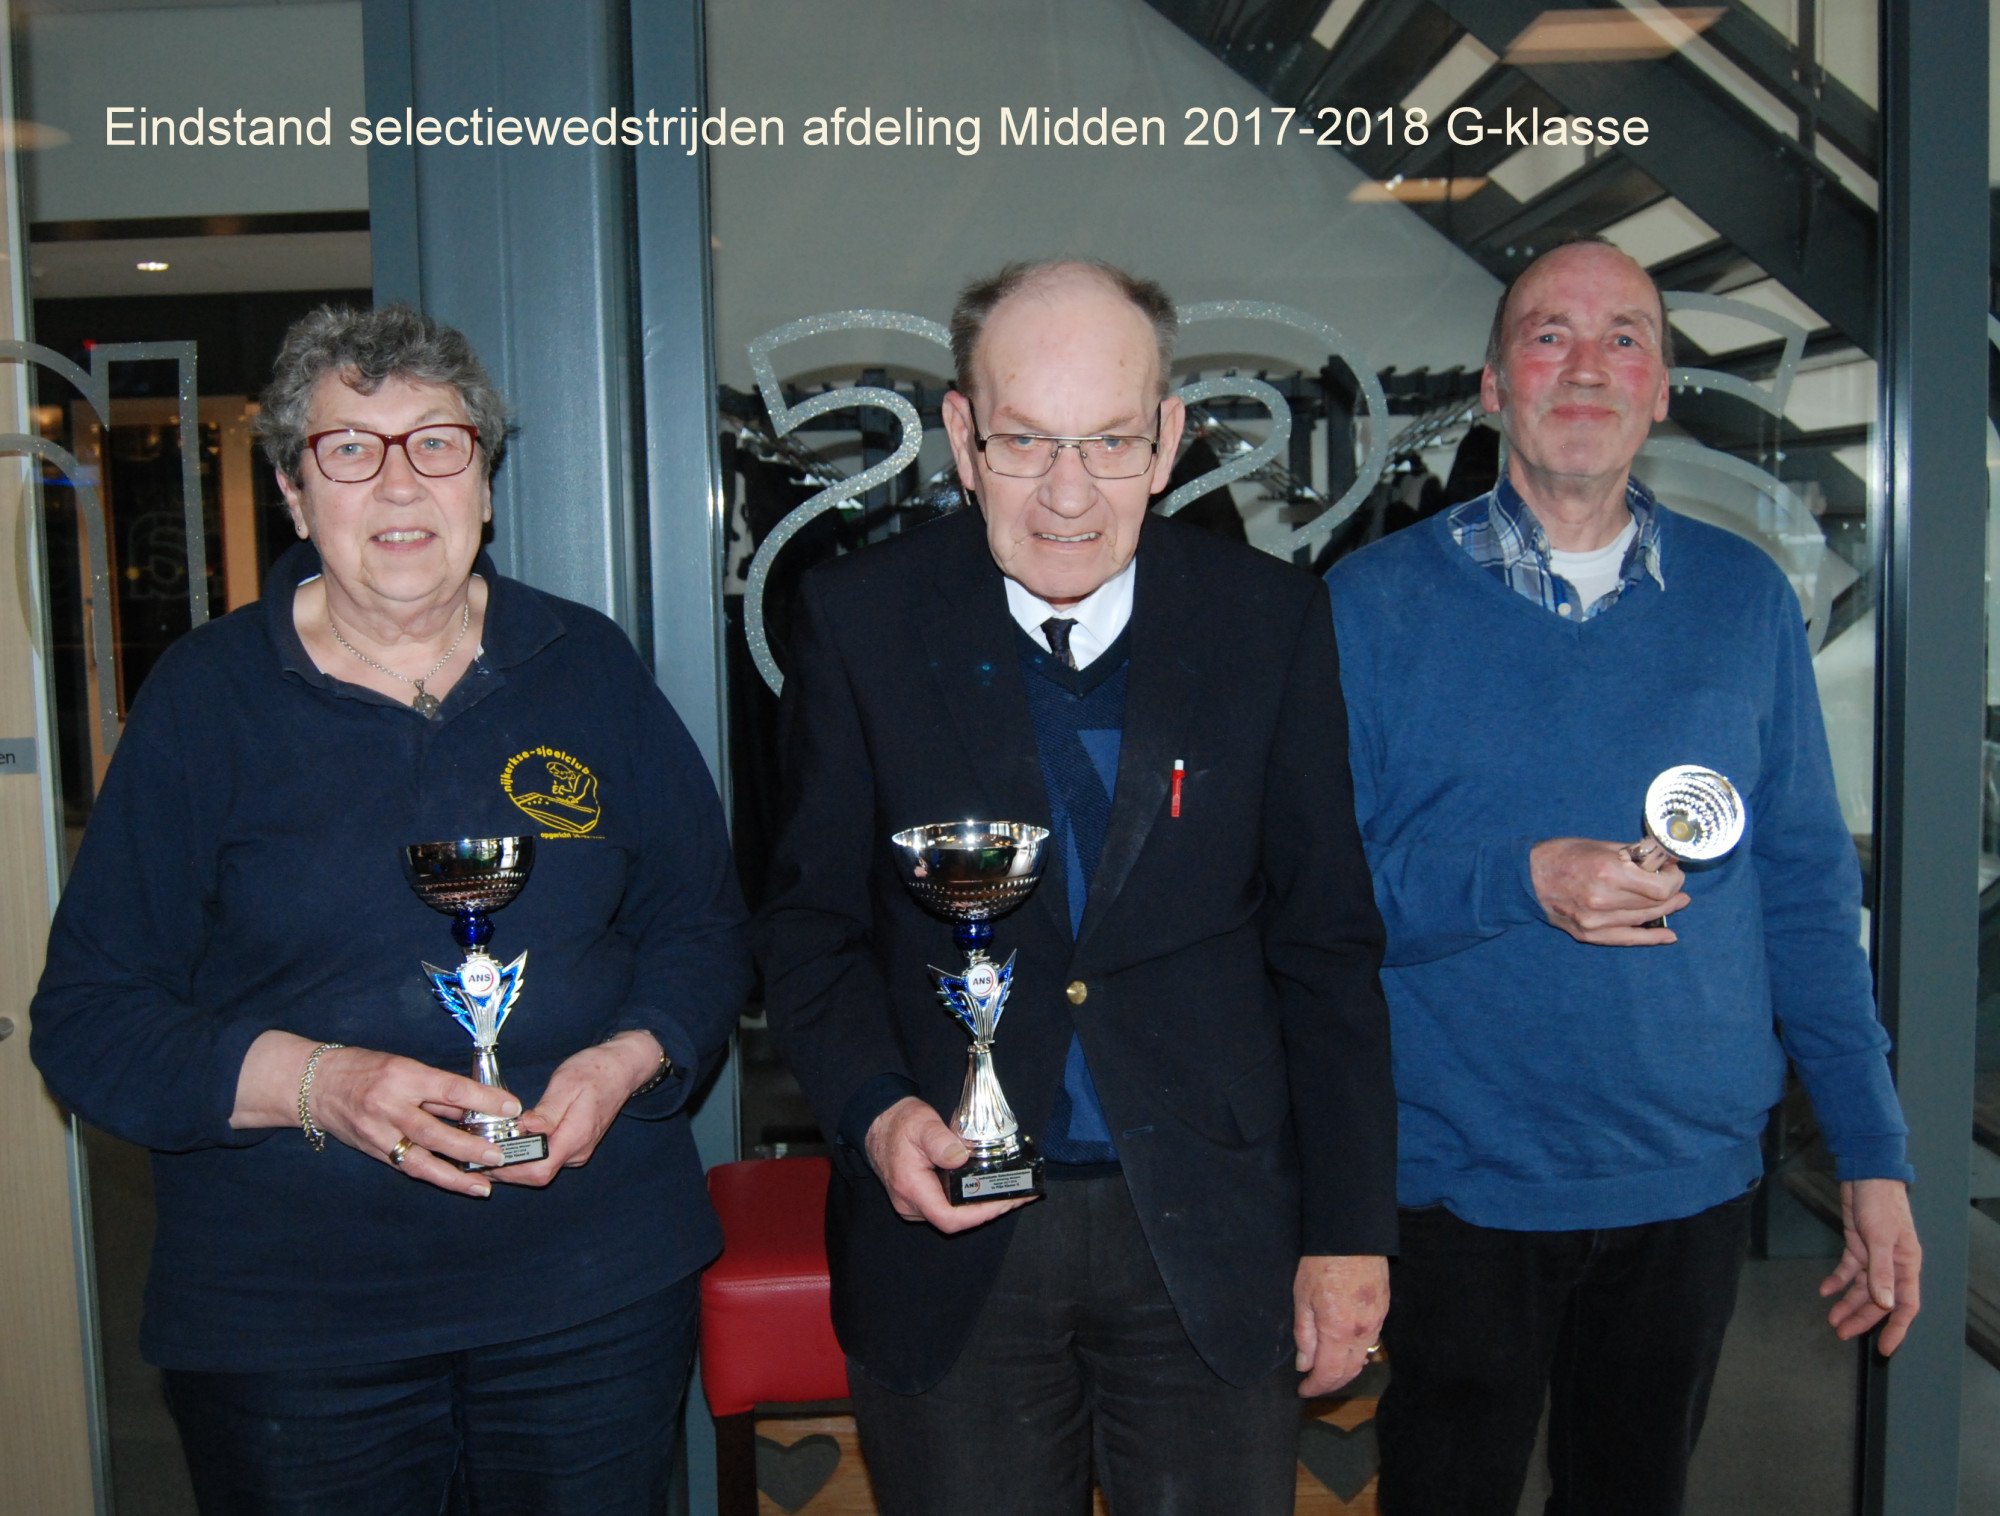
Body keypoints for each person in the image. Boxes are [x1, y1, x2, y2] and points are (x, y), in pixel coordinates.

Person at [31, 304, 751, 1515]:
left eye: (437, 443)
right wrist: (324, 1084)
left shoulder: (586, 664)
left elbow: (703, 922)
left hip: (588, 1301)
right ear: (294, 493)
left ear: (485, 480)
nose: (399, 482)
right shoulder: (206, 700)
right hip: (295, 1331)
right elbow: (90, 1020)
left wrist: (631, 1056)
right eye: (350, 449)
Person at [757, 259, 1396, 1515]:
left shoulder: (1267, 621)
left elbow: (1324, 943)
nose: (1066, 492)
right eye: (1024, 441)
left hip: (1212, 1234)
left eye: (1108, 441)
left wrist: (1347, 1230)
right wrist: (876, 1113)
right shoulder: (857, 620)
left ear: (1165, 439)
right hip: (947, 1241)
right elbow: (807, 928)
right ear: (960, 437)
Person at [1326, 237, 1922, 1515]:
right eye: (1547, 336)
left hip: (1686, 1180)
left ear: (1658, 390)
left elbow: (1804, 895)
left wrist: (1872, 1153)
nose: (1585, 367)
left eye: (1623, 339)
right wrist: (1518, 879)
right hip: (1456, 1183)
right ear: (1494, 385)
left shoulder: (1742, 601)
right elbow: (1315, 903)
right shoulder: (1365, 608)